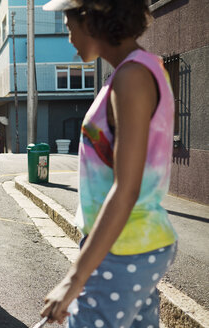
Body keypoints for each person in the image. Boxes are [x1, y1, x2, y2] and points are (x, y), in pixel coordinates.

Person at [39, 0, 178, 326]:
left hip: (125, 247)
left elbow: (126, 189)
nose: (68, 35)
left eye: (68, 23)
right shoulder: (136, 71)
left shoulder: (132, 77)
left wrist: (74, 280)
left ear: (90, 18)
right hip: (128, 245)